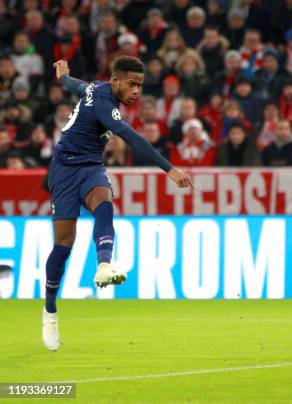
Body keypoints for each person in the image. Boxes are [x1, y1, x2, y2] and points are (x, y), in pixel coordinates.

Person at [43, 57, 192, 352]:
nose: (136, 91)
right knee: (63, 244)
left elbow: (77, 86)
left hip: (90, 167)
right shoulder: (104, 103)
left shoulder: (97, 89)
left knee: (104, 201)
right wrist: (169, 169)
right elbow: (131, 137)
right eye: (132, 84)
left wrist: (63, 76)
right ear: (116, 81)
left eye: (140, 85)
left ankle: (104, 265)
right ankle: (49, 312)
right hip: (63, 170)